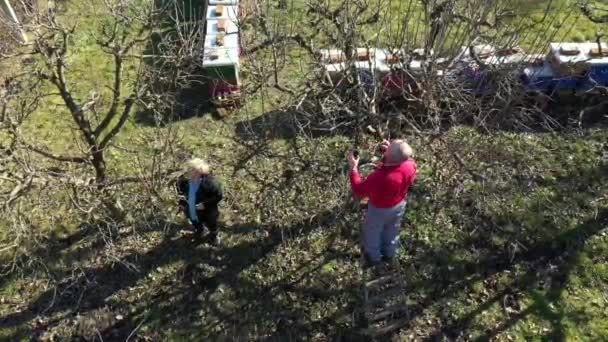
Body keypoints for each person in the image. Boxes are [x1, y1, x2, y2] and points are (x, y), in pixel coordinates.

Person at [347, 139, 417, 266]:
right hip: (399, 205)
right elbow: (395, 163)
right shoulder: (410, 165)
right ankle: (389, 254)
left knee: (373, 232)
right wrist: (390, 152)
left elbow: (358, 190)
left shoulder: (380, 177)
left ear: (390, 156)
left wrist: (353, 168)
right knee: (392, 230)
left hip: (379, 210)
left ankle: (374, 258)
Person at [175, 158, 224, 245]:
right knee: (195, 221)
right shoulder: (184, 182)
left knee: (211, 223)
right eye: (188, 169)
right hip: (191, 209)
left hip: (208, 211)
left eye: (191, 170)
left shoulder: (209, 183)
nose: (188, 172)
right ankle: (200, 230)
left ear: (198, 171)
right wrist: (182, 204)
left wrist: (205, 204)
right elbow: (182, 195)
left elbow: (218, 196)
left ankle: (214, 236)